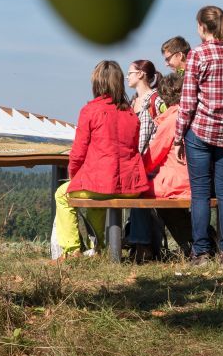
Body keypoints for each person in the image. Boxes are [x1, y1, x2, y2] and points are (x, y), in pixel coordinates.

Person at [175, 5, 223, 268]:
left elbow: (187, 103)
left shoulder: (198, 54)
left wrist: (177, 137)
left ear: (202, 27)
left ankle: (201, 254)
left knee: (200, 194)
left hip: (200, 131)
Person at [53, 60, 150, 259]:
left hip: (101, 184)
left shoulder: (90, 111)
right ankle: (95, 249)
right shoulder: (130, 113)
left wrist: (76, 177)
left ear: (97, 83)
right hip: (131, 188)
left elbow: (78, 153)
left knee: (62, 195)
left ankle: (72, 251)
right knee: (97, 199)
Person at [142, 72, 193, 254]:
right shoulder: (194, 115)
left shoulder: (171, 120)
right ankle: (197, 241)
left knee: (144, 191)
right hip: (197, 179)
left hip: (177, 182)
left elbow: (152, 157)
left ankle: (147, 245)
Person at [126, 59, 164, 261]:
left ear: (141, 74)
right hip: (136, 163)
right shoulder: (133, 101)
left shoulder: (156, 101)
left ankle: (141, 245)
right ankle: (137, 241)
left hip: (151, 164)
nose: (128, 77)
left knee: (139, 195)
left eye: (130, 73)